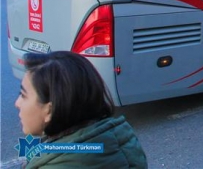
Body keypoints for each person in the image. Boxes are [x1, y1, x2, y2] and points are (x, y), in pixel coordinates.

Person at [15, 51, 148, 168]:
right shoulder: (120, 139)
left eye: (23, 95)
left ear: (50, 110)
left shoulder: (62, 162)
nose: (17, 103)